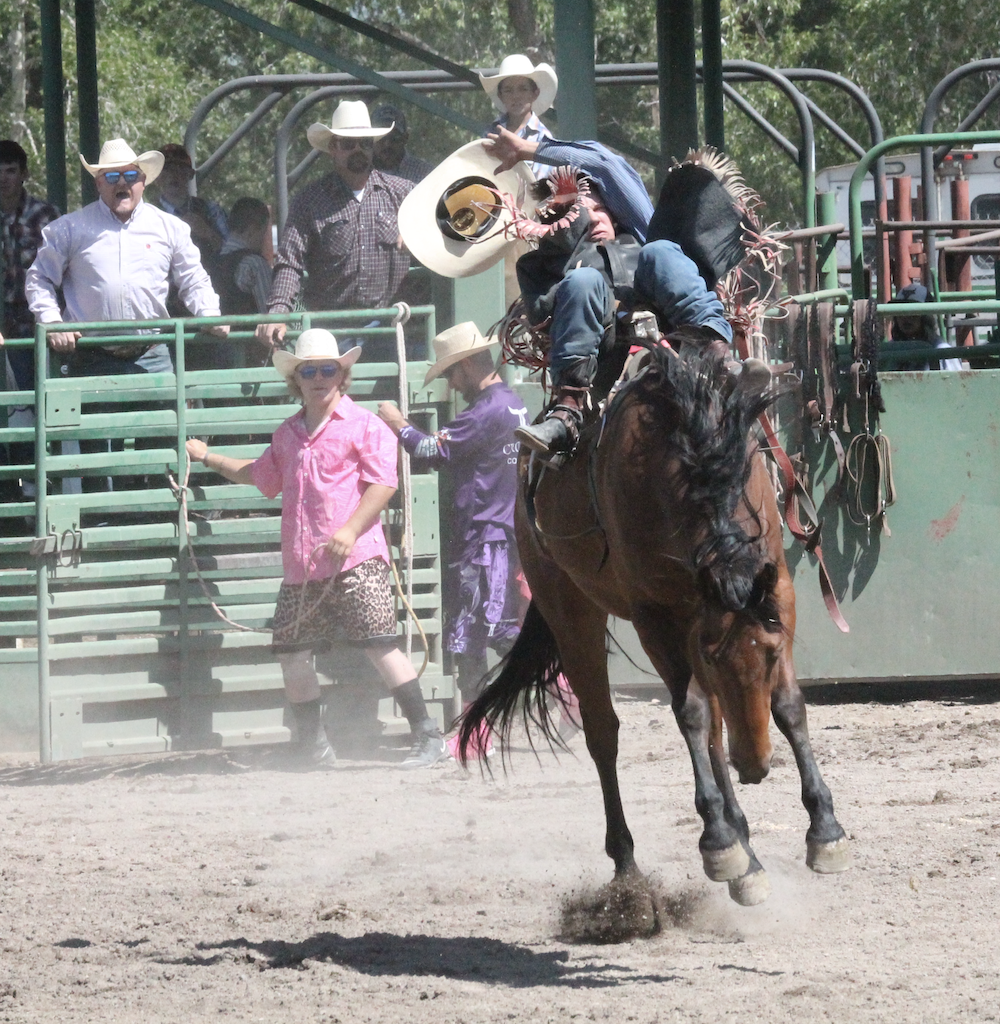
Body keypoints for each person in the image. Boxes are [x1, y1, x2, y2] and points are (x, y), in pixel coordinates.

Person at [186, 327, 448, 770]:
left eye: (328, 369)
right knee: (292, 654)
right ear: (297, 379)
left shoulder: (365, 425)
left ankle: (428, 736)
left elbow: (383, 484)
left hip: (356, 559)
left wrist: (349, 531)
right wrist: (208, 457)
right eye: (309, 371)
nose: (319, 378)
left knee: (381, 645)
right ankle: (314, 747)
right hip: (303, 566)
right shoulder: (287, 434)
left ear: (342, 375)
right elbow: (259, 476)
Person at [482, 127, 769, 457]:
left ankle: (717, 361)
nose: (593, 219)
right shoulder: (551, 266)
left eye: (599, 208)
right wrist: (564, 230)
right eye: (581, 215)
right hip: (599, 354)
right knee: (584, 280)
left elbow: (605, 165)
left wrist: (530, 149)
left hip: (670, 331)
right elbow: (545, 306)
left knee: (660, 250)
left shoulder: (643, 231)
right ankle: (569, 411)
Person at [25, 138, 227, 492]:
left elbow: (193, 278)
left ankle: (158, 514)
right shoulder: (69, 228)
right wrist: (51, 321)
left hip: (152, 351)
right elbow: (39, 278)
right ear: (98, 182)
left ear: (143, 181)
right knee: (97, 451)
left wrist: (209, 314)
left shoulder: (169, 227)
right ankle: (103, 518)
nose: (122, 183)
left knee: (162, 440)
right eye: (112, 176)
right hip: (92, 354)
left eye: (131, 175)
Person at [377, 322, 528, 757]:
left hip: (481, 538)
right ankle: (558, 690)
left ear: (466, 366)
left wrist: (397, 423)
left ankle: (485, 728)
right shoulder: (513, 405)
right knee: (494, 630)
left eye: (449, 373)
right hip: (500, 534)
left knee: (473, 637)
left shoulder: (485, 412)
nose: (450, 383)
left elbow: (431, 450)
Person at [255, 101, 414, 356]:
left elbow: (444, 220)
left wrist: (420, 232)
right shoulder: (310, 201)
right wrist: (278, 311)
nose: (358, 150)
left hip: (389, 327)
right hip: (330, 329)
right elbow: (290, 263)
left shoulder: (404, 194)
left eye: (365, 143)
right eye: (349, 144)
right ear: (333, 148)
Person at [0, 139, 60, 495]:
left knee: (41, 409)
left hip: (37, 330)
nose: (3, 179)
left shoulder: (45, 216)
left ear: (23, 174)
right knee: (11, 414)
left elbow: (63, 272)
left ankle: (43, 489)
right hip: (3, 332)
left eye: (10, 171)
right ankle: (15, 495)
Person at [479, 54, 557, 179]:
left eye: (523, 89)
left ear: (535, 94)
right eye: (508, 90)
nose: (516, 96)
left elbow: (541, 185)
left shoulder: (543, 138)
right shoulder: (491, 131)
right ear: (500, 96)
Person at [154, 143, 229, 266]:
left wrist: (207, 232)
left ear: (190, 174)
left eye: (180, 169)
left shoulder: (211, 210)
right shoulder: (146, 215)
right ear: (156, 177)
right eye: (166, 170)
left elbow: (232, 253)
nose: (173, 175)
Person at [889, 282, 964, 371]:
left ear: (926, 317)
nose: (905, 318)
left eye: (913, 312)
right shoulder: (890, 349)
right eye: (901, 312)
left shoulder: (943, 351)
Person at [370, 104, 433, 184]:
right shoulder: (359, 171)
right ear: (370, 139)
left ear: (405, 138)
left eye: (394, 138)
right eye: (381, 137)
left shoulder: (426, 174)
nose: (387, 144)